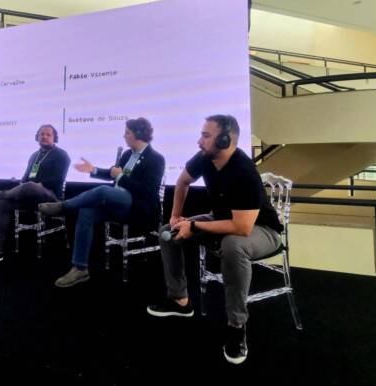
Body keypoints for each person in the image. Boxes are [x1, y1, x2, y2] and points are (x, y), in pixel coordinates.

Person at [146, 115, 283, 365]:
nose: (199, 141)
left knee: (233, 245)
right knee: (168, 232)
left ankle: (236, 326)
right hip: (223, 219)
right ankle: (179, 300)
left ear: (224, 140)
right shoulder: (204, 158)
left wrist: (194, 225)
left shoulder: (243, 171)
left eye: (206, 136)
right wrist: (176, 216)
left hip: (262, 229)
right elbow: (183, 181)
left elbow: (242, 227)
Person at [39, 117, 165, 288]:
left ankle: (64, 207)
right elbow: (112, 173)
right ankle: (80, 268)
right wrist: (93, 170)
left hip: (138, 208)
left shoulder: (156, 158)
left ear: (138, 133)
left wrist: (121, 177)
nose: (124, 136)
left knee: (104, 191)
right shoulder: (127, 154)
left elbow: (148, 191)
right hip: (117, 204)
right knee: (85, 213)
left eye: (127, 133)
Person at [0, 124, 71, 266]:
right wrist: (21, 185)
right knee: (4, 204)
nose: (44, 137)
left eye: (48, 135)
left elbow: (58, 178)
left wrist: (38, 185)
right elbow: (25, 177)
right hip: (31, 198)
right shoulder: (34, 156)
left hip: (51, 198)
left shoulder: (61, 154)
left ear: (55, 138)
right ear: (37, 137)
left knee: (30, 185)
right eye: (42, 134)